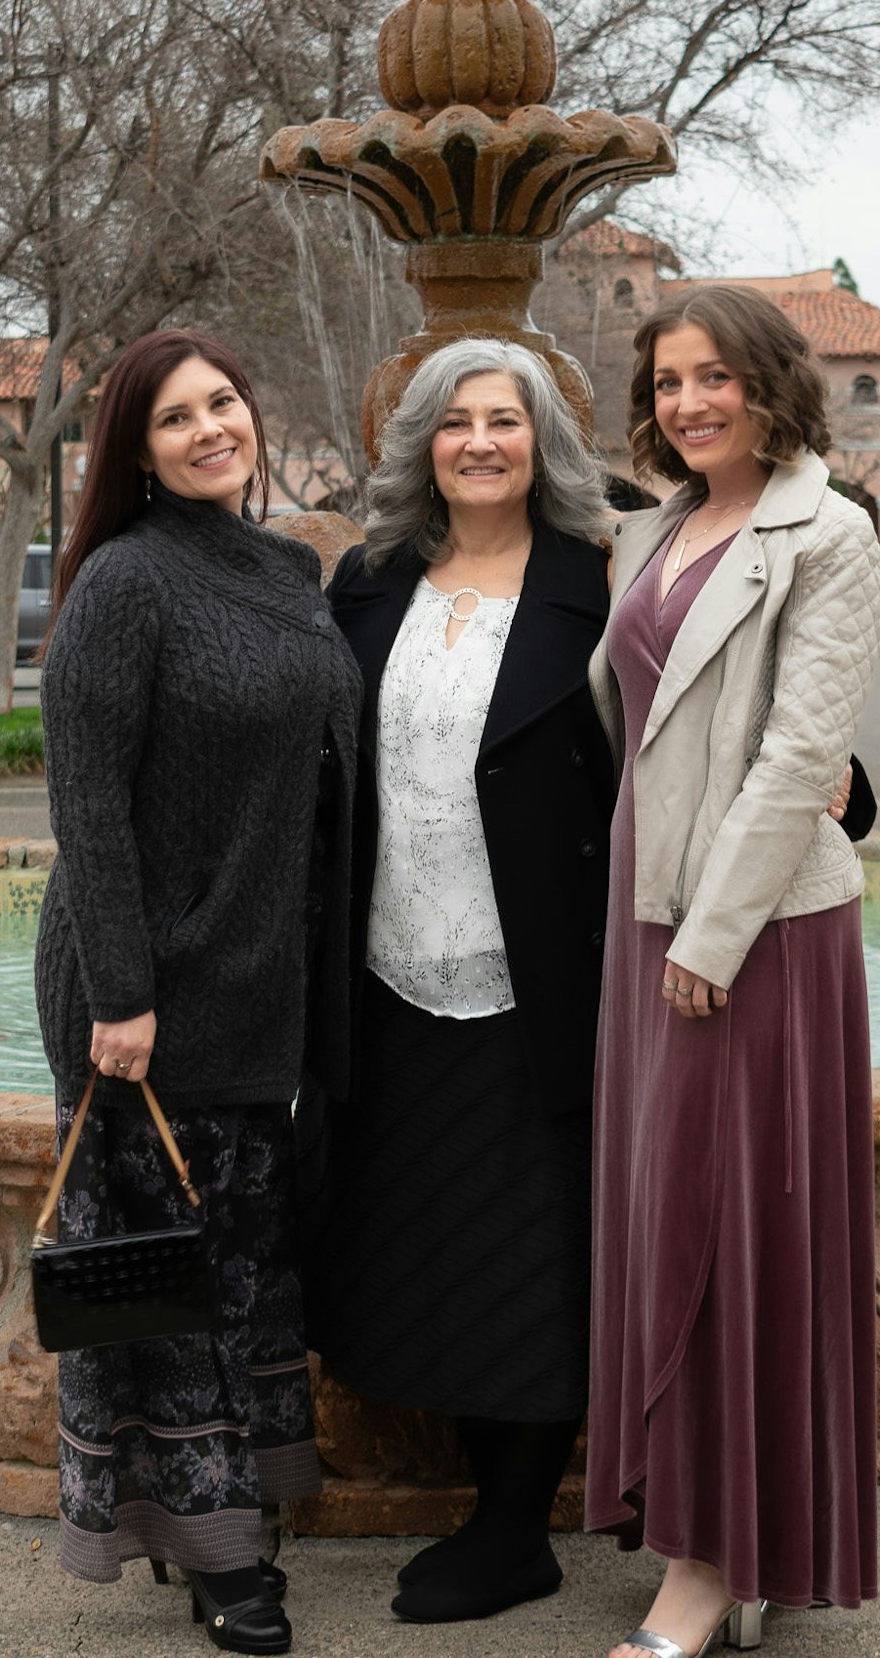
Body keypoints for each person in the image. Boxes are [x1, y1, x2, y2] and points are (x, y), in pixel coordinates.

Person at [35, 328, 361, 1656]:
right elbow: (87, 804)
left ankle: (236, 1508)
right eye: (175, 418)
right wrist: (121, 993)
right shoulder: (123, 582)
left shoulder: (287, 568)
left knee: (236, 1265)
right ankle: (219, 1557)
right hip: (141, 996)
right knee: (162, 1282)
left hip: (253, 983)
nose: (210, 429)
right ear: (137, 450)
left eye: (223, 401)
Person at [584, 284, 880, 1658]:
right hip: (644, 920)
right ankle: (723, 1529)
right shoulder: (647, 532)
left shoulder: (827, 536)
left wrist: (711, 937)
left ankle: (709, 1569)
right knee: (667, 1228)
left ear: (768, 382)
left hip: (754, 937)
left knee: (728, 1236)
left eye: (713, 376)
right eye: (665, 382)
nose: (688, 401)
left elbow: (794, 755)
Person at [297, 338, 619, 1626]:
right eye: (455, 422)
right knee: (425, 1237)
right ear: (421, 443)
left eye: (507, 420)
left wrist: (840, 785)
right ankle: (480, 1501)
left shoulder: (601, 583)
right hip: (388, 970)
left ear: (545, 443)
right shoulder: (370, 582)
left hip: (542, 973)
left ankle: (513, 1528)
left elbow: (707, 716)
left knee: (537, 1246)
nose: (479, 442)